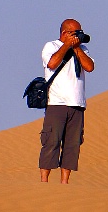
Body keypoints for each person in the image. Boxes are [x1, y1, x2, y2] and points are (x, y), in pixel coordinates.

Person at [38, 19, 95, 184]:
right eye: (75, 32)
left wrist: (76, 48)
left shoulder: (82, 49)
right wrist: (66, 46)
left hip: (77, 104)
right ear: (65, 33)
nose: (79, 35)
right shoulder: (51, 46)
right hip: (57, 103)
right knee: (51, 142)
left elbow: (89, 67)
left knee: (73, 144)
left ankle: (65, 182)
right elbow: (52, 63)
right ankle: (44, 181)